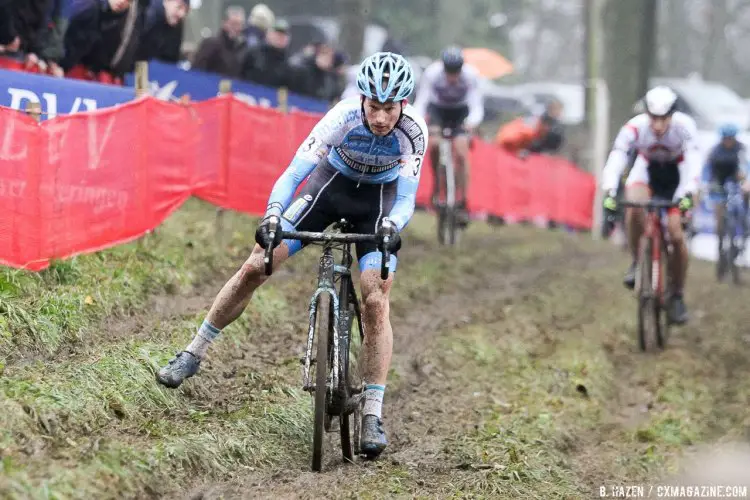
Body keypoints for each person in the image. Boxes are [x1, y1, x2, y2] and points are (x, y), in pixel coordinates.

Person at [156, 52, 427, 460]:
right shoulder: (340, 117)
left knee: (376, 298)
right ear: (362, 99)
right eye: (373, 107)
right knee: (256, 264)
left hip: (379, 203)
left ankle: (372, 411)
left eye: (389, 109)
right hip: (329, 187)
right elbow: (293, 174)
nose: (381, 118)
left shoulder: (414, 131)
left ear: (403, 104)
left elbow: (405, 198)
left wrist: (392, 227)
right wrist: (272, 217)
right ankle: (193, 352)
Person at [601, 85, 700, 324]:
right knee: (634, 207)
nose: (657, 125)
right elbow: (618, 157)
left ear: (671, 115)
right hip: (648, 172)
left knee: (676, 235)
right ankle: (637, 262)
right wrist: (610, 191)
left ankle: (677, 294)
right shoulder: (634, 128)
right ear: (647, 114)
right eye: (653, 118)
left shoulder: (684, 127)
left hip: (677, 175)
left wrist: (688, 193)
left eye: (663, 118)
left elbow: (693, 163)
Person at [413, 45, 484, 223]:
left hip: (460, 112)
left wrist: (471, 124)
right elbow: (422, 100)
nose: (453, 75)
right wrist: (420, 121)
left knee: (461, 150)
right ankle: (438, 185)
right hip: (438, 110)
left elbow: (476, 104)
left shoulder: (470, 75)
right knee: (435, 144)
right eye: (449, 71)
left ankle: (463, 200)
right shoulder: (432, 73)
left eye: (456, 71)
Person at [701, 123, 750, 254]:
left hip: (735, 181)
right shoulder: (714, 151)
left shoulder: (741, 149)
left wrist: (746, 182)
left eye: (731, 138)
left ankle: (745, 224)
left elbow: (745, 166)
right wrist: (705, 183)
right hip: (718, 183)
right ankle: (720, 241)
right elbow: (706, 170)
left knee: (746, 194)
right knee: (720, 214)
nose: (728, 141)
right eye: (726, 138)